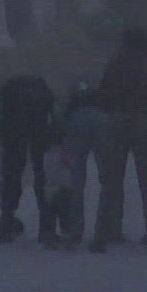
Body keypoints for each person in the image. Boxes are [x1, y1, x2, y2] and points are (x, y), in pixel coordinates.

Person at [90, 27, 147, 254]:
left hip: (116, 121)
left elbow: (102, 93)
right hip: (145, 120)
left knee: (110, 182)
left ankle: (101, 236)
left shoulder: (114, 62)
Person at [0, 74, 56, 244]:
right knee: (42, 176)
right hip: (40, 132)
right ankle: (47, 228)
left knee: (11, 176)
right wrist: (54, 136)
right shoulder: (42, 90)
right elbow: (55, 114)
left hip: (13, 134)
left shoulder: (6, 91)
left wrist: (3, 137)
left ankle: (5, 224)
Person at [51, 81, 108, 249]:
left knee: (76, 181)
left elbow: (61, 117)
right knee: (107, 180)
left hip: (76, 122)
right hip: (100, 120)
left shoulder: (72, 98)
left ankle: (75, 231)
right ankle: (102, 233)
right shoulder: (99, 97)